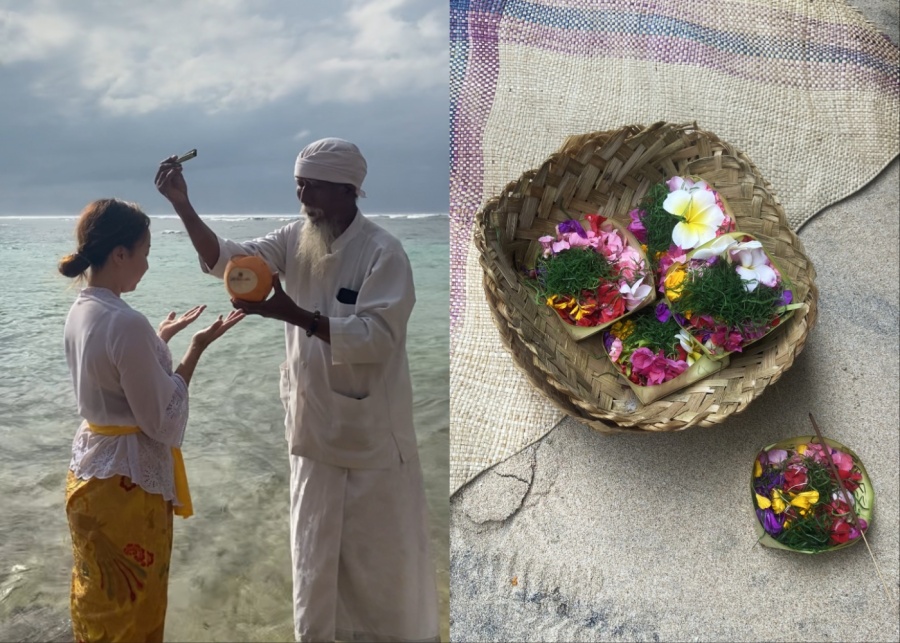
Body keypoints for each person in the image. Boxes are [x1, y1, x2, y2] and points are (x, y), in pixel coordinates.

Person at [155, 138, 440, 642]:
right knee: (313, 568)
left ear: (349, 190)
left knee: (381, 576)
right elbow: (229, 263)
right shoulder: (294, 238)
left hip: (372, 442)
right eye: (298, 185)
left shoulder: (384, 253)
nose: (303, 195)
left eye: (313, 186)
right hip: (311, 436)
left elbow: (379, 338)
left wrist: (293, 315)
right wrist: (183, 205)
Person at [58, 198, 244, 643]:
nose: (146, 263)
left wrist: (158, 340)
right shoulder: (126, 323)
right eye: (143, 252)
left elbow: (115, 383)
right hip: (128, 486)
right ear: (119, 254)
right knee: (134, 606)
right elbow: (160, 422)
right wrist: (194, 350)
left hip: (90, 472)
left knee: (99, 596)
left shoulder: (82, 310)